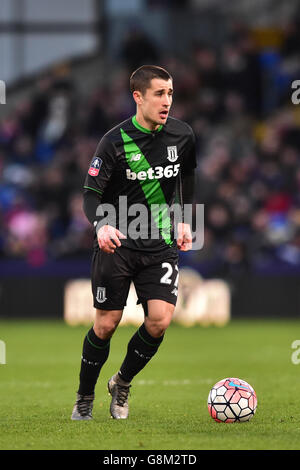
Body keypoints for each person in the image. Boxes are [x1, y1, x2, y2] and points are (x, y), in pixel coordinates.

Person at [71, 65, 197, 420]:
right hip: (118, 244)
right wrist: (100, 226)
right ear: (138, 97)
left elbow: (188, 176)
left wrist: (186, 219)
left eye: (170, 93)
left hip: (159, 244)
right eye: (159, 93)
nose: (167, 101)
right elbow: (90, 195)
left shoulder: (183, 136)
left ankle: (122, 382)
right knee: (106, 324)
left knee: (158, 321)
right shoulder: (113, 142)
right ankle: (84, 396)